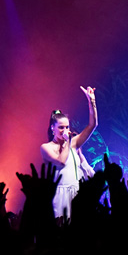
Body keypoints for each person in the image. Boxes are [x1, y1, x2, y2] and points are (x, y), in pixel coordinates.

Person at [40, 86, 98, 220]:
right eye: (61, 127)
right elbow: (60, 161)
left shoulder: (73, 143)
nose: (65, 130)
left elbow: (93, 125)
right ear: (52, 128)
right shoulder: (46, 147)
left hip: (77, 193)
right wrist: (67, 142)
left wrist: (91, 102)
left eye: (67, 127)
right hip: (60, 196)